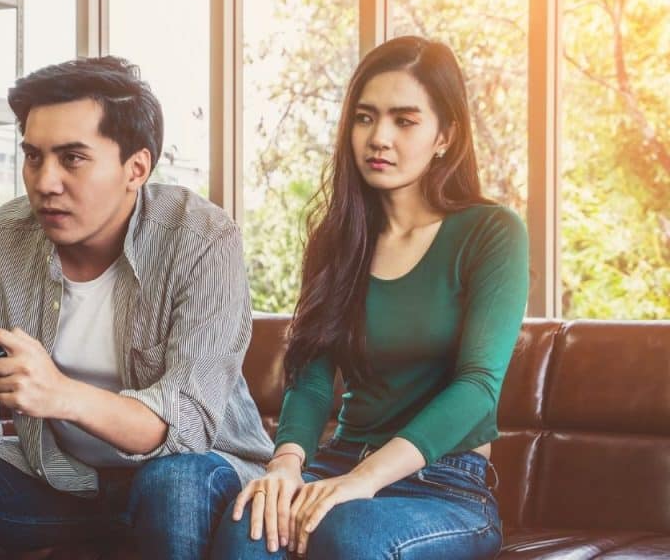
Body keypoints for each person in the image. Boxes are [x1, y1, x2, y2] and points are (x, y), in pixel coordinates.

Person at [0, 56, 273, 560]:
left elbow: (187, 426)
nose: (45, 182)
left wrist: (61, 395)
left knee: (175, 482)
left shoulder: (201, 236)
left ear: (136, 168)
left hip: (198, 474)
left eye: (73, 158)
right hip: (63, 479)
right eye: (34, 157)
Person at [213, 36, 528, 559]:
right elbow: (311, 377)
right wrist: (287, 465)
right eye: (365, 118)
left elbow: (478, 387)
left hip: (443, 484)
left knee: (349, 536)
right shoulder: (337, 240)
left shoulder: (492, 232)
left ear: (445, 135)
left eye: (405, 121)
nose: (379, 137)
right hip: (338, 463)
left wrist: (364, 480)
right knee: (247, 525)